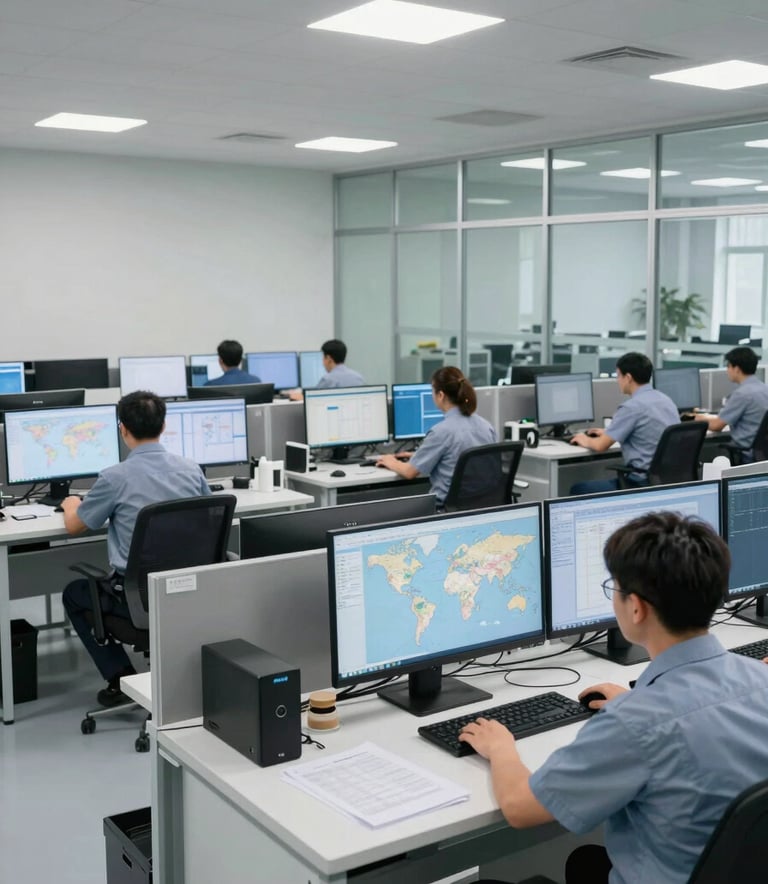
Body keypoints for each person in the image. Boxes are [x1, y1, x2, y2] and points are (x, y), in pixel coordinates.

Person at [461, 512, 768, 884]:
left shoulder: (635, 724)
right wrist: (641, 704)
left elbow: (520, 809)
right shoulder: (760, 678)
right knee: (585, 861)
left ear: (636, 608)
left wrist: (501, 749)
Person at [62, 391, 211, 707]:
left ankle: (121, 679)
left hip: (137, 603)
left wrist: (72, 503)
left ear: (122, 429)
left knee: (74, 594)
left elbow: (75, 526)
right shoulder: (191, 469)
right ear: (164, 425)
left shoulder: (114, 478)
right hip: (188, 595)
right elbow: (208, 521)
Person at [376, 366, 496, 507]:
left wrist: (391, 461)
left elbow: (409, 472)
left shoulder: (441, 432)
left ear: (440, 395)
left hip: (446, 511)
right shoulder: (487, 426)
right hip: (483, 508)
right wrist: (420, 455)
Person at [569, 352, 678, 495]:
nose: (617, 381)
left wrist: (584, 439)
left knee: (578, 489)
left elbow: (600, 446)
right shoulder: (666, 400)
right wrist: (608, 432)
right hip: (669, 479)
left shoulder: (631, 407)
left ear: (628, 378)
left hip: (641, 482)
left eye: (618, 376)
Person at [691, 346, 768, 462]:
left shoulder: (742, 394)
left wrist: (696, 417)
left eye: (728, 366)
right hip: (762, 455)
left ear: (736, 369)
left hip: (746, 454)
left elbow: (717, 426)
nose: (727, 370)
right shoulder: (764, 389)